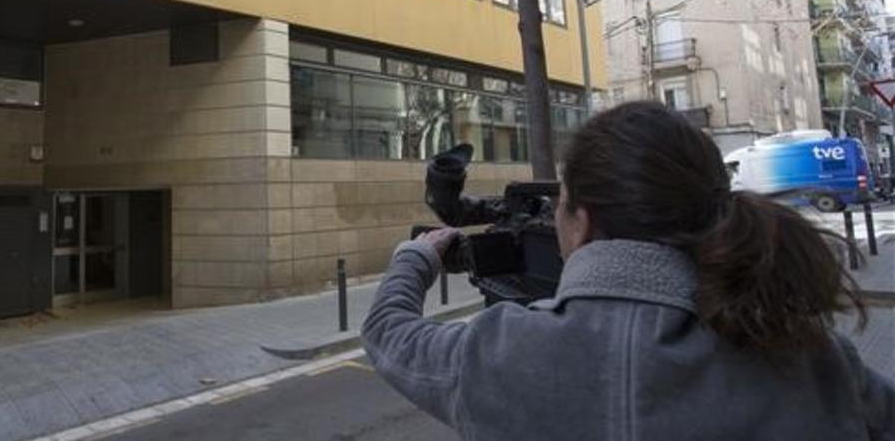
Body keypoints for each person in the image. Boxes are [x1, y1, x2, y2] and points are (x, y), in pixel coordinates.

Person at [362, 101, 894, 440]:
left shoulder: (504, 354)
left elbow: (387, 334)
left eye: (561, 204)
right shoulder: (811, 355)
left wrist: (416, 258)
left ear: (582, 222)